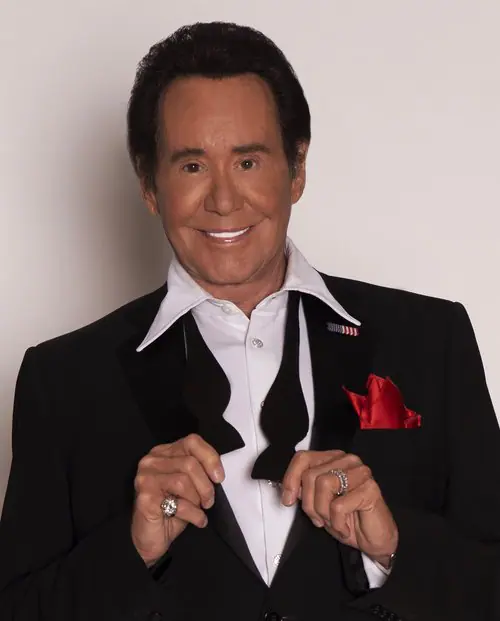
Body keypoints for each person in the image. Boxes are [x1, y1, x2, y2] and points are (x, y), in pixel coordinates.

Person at [0, 21, 499, 621]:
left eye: (247, 161)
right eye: (191, 166)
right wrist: (131, 552)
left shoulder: (431, 342)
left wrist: (392, 550)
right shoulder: (62, 382)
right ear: (149, 184)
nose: (223, 200)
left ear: (297, 168)